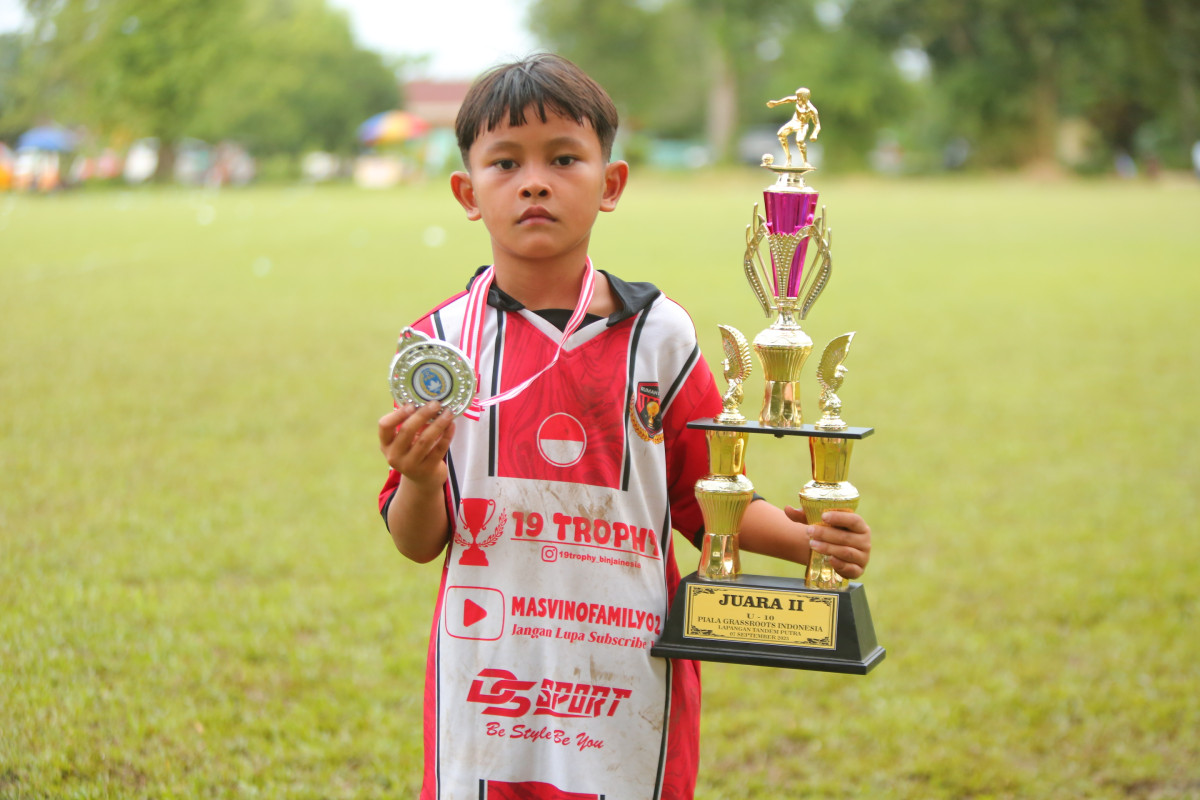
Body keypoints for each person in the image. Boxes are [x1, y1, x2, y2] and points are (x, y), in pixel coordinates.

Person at [377, 54, 872, 800]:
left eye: (563, 158)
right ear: (467, 193)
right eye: (505, 162)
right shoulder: (441, 347)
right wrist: (418, 476)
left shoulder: (662, 337)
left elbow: (710, 503)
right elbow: (418, 542)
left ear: (611, 184)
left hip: (627, 669)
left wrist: (812, 542)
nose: (534, 182)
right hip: (488, 673)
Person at [766, 87, 821, 168]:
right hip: (794, 122)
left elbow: (817, 124)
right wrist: (776, 103)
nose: (797, 98)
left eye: (799, 97)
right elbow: (788, 99)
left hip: (803, 125)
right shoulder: (798, 101)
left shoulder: (811, 110)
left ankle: (805, 162)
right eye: (797, 96)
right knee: (781, 134)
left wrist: (814, 134)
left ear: (804, 98)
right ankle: (788, 158)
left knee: (800, 141)